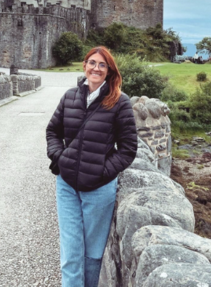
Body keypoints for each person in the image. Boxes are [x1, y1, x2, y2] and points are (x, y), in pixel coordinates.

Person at [46, 46, 138, 287]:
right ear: (84, 66)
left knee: (92, 253)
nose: (96, 68)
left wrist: (103, 172)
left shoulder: (119, 102)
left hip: (99, 189)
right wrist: (59, 158)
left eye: (102, 65)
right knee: (70, 249)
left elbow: (128, 149)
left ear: (109, 71)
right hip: (66, 185)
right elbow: (52, 131)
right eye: (92, 62)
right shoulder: (70, 97)